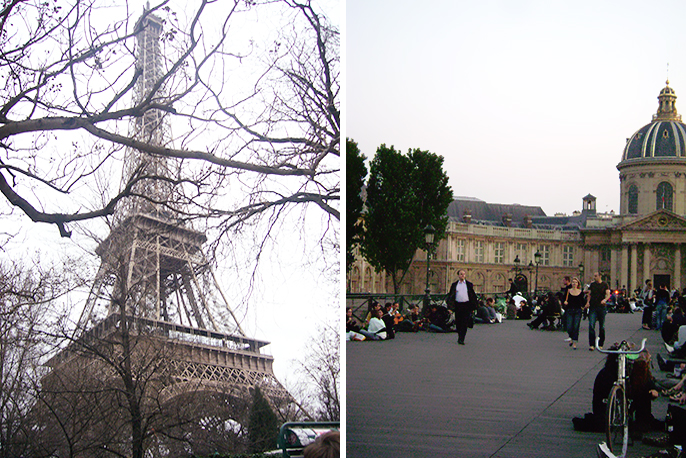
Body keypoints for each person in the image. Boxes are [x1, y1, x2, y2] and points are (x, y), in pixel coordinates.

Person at [446, 269, 478, 345]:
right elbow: (451, 296)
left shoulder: (469, 284)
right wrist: (450, 307)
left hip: (466, 305)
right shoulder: (455, 285)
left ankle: (461, 338)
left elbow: (472, 296)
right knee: (458, 322)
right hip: (458, 305)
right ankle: (459, 335)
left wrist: (473, 307)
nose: (462, 275)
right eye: (461, 274)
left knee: (464, 322)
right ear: (458, 275)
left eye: (463, 274)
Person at [585, 272, 610, 351]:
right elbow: (589, 294)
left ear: (600, 276)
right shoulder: (592, 285)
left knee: (602, 326)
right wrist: (588, 302)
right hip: (593, 307)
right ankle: (592, 344)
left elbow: (608, 294)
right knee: (591, 325)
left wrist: (605, 300)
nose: (594, 277)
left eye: (596, 276)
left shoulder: (605, 285)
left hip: (601, 307)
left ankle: (600, 344)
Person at [563, 277, 585, 350]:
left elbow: (583, 301)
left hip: (578, 311)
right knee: (569, 327)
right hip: (570, 310)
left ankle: (574, 342)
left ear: (578, 284)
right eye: (573, 282)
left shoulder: (580, 292)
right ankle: (571, 337)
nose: (574, 283)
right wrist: (565, 302)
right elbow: (564, 299)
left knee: (576, 326)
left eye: (575, 282)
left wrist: (585, 306)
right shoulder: (568, 291)